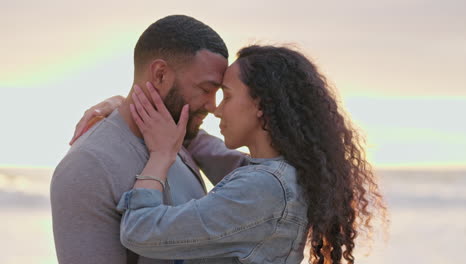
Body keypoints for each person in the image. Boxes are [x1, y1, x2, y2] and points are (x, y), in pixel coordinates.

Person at [108, 45, 387, 264]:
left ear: (261, 105)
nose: (217, 109)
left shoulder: (263, 188)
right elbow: (202, 146)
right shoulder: (282, 175)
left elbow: (139, 232)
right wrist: (124, 107)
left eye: (227, 96)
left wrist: (159, 157)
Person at [50, 15, 247, 264]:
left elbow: (260, 173)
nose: (212, 106)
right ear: (160, 74)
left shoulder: (180, 136)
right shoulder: (88, 165)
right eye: (206, 90)